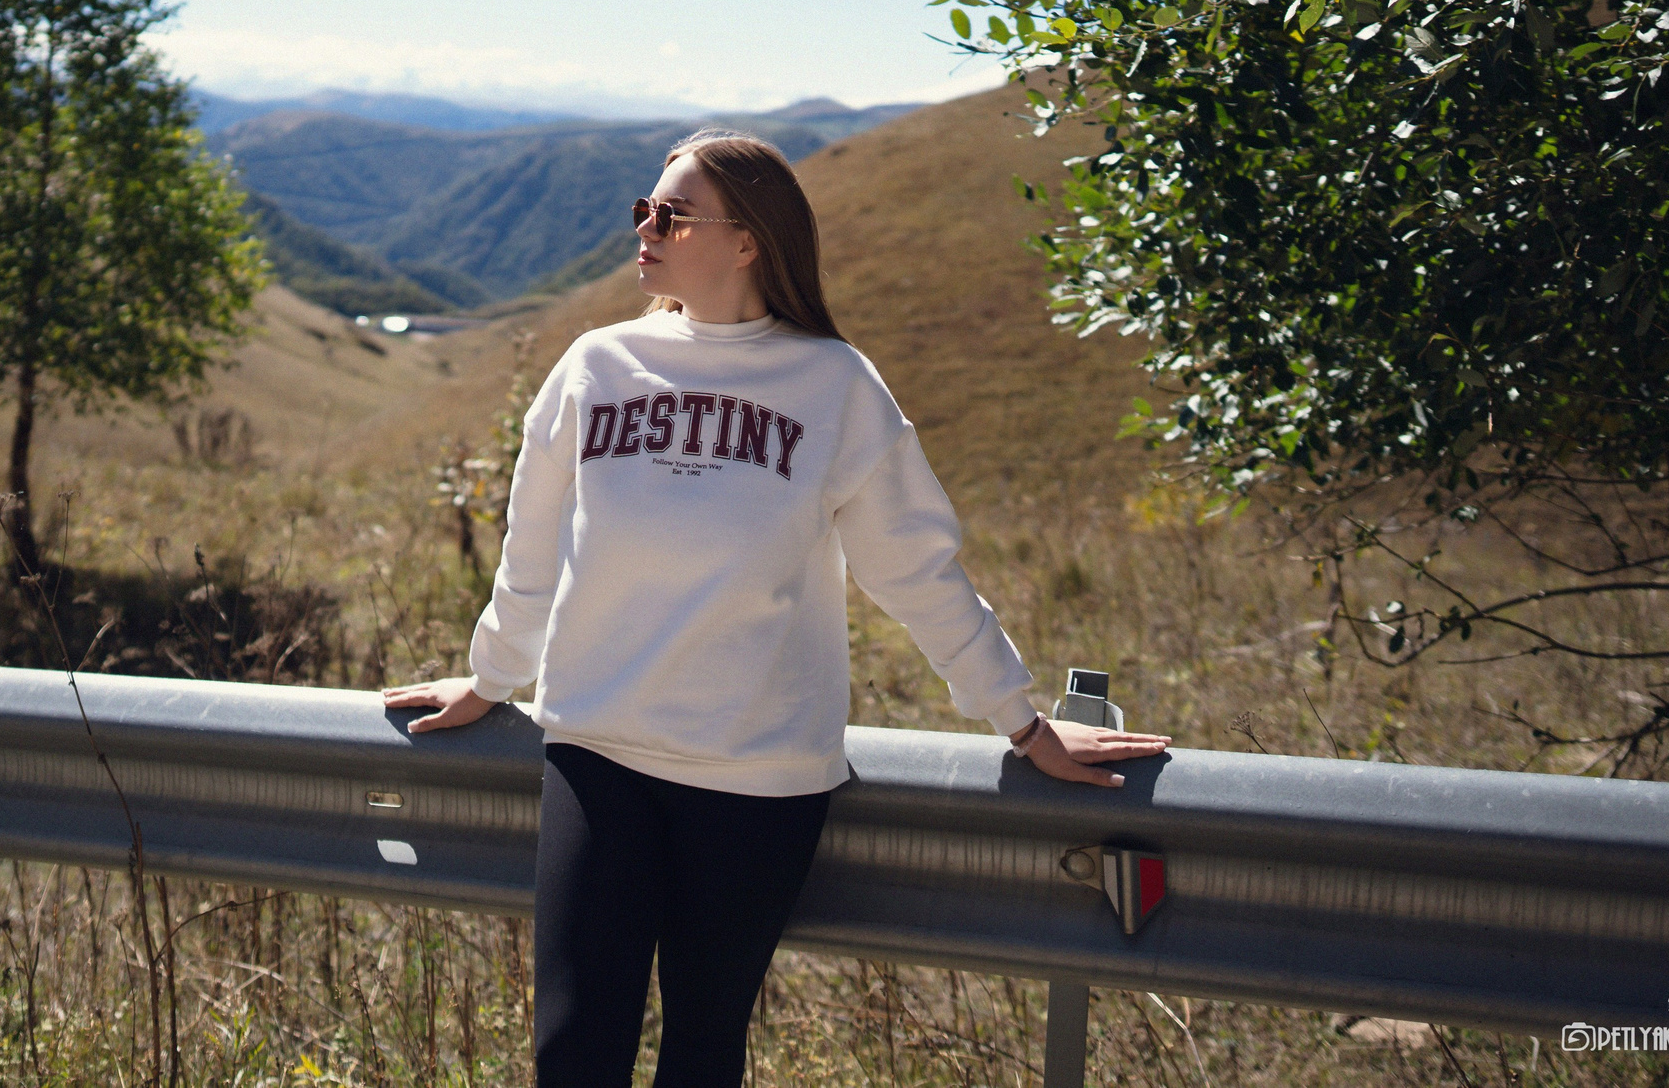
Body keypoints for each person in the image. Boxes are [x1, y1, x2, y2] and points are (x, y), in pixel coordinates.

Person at [382, 128, 1170, 1088]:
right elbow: (533, 550)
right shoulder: (597, 364)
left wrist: (1022, 719)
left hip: (759, 781)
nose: (645, 229)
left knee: (703, 1057)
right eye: (644, 209)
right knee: (573, 1054)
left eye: (672, 214)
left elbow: (916, 570)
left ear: (748, 240)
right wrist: (492, 677)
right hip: (599, 755)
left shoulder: (835, 385)